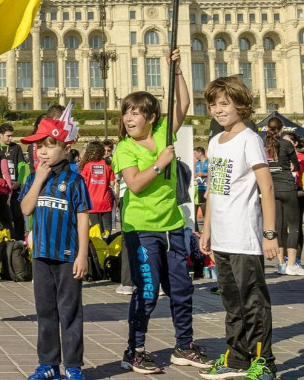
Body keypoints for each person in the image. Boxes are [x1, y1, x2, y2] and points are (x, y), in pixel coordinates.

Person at [113, 49, 210, 374]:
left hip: (172, 227)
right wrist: (160, 164)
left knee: (182, 289)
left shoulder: (162, 133)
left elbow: (182, 105)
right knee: (148, 291)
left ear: (152, 117)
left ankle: (184, 346)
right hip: (140, 230)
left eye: (136, 113)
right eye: (126, 112)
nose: (129, 118)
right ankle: (135, 349)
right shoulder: (124, 148)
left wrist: (177, 70)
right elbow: (136, 184)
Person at [196, 77, 279, 380]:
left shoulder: (250, 138)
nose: (218, 110)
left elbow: (266, 188)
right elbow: (213, 191)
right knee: (232, 302)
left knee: (253, 301)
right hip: (221, 236)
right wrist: (206, 229)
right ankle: (237, 357)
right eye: (214, 104)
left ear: (241, 105)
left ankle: (263, 361)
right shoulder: (216, 141)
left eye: (225, 103)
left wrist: (269, 233)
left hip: (245, 235)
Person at [20, 115, 91, 380]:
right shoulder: (34, 177)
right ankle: (48, 364)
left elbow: (83, 217)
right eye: (39, 146)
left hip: (67, 256)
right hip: (41, 256)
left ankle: (73, 366)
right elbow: (26, 208)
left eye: (49, 145)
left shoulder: (75, 180)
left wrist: (82, 255)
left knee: (70, 312)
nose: (43, 151)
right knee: (45, 312)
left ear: (66, 148)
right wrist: (38, 179)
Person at [265, 124, 304, 276]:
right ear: (281, 129)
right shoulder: (286, 144)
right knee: (294, 226)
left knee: (279, 226)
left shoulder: (264, 144)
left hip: (272, 188)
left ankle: (281, 264)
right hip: (287, 187)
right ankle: (291, 264)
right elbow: (295, 166)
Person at [78, 141, 114, 235]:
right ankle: (107, 247)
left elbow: (82, 184)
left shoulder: (86, 166)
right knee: (107, 229)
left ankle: (97, 249)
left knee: (95, 231)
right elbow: (112, 183)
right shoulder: (107, 165)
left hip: (91, 202)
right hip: (105, 201)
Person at [192, 147, 208, 225]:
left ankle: (208, 227)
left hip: (208, 188)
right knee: (201, 207)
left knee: (206, 208)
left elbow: (213, 173)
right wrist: (195, 175)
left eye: (195, 153)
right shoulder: (197, 163)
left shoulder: (208, 161)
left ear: (200, 153)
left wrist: (204, 174)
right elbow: (196, 173)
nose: (194, 155)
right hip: (200, 187)